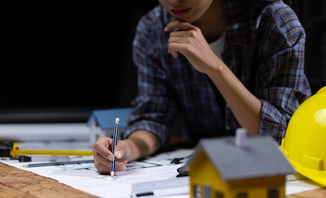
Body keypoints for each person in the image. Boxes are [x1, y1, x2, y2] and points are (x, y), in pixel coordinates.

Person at [92, 0, 311, 174]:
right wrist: (126, 148)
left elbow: (281, 134)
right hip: (206, 170)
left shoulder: (273, 20)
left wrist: (215, 67)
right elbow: (152, 118)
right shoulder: (153, 29)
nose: (173, 1)